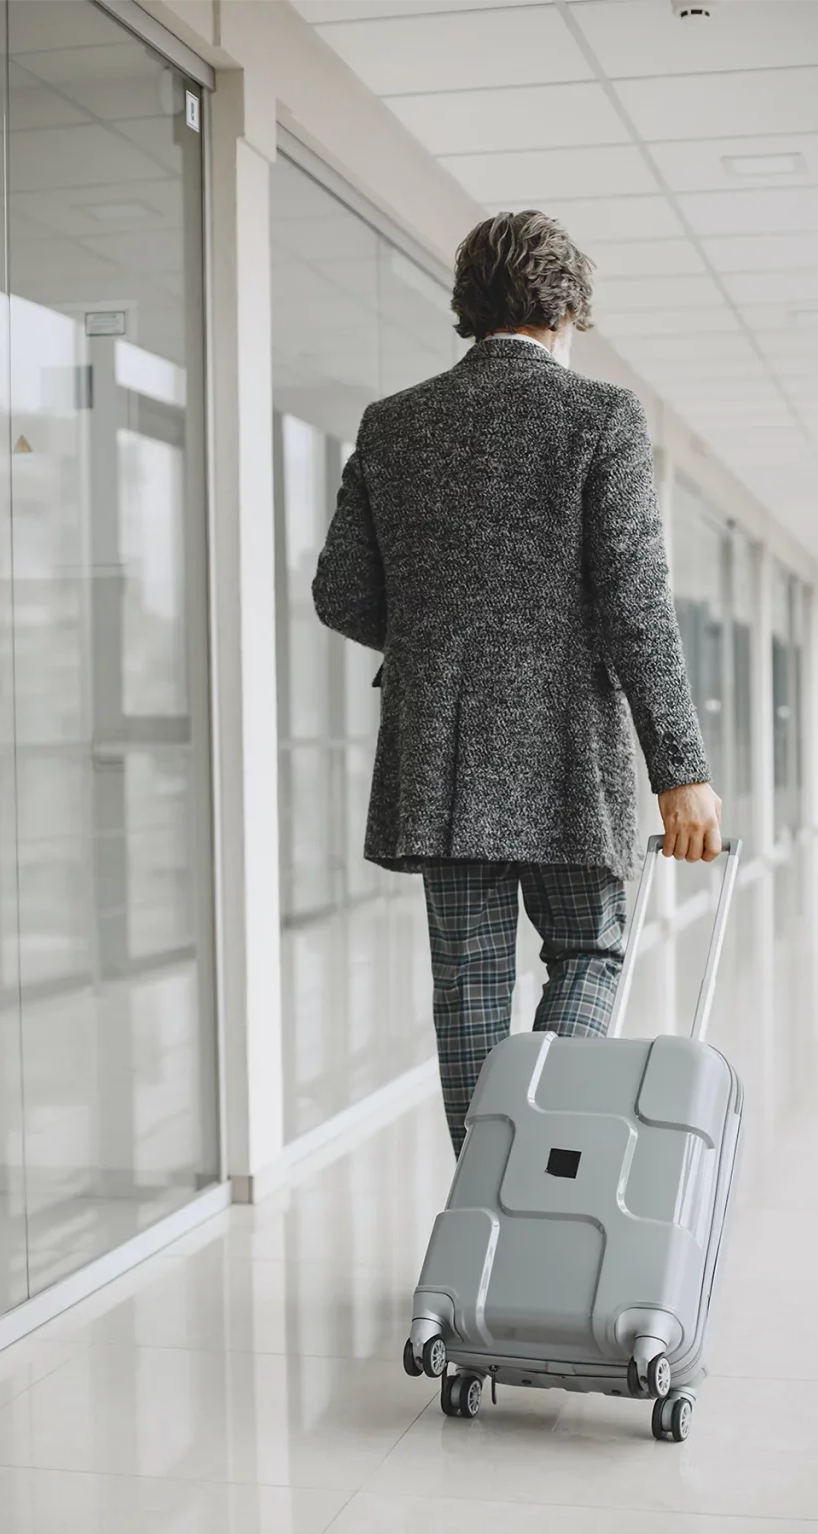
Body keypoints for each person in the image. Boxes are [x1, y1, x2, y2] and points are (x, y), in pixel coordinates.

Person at [313, 209, 723, 1156]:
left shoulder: (394, 423)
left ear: (469, 305)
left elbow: (340, 592)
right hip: (568, 752)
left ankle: (482, 1218)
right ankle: (537, 1167)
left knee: (467, 984)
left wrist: (439, 645)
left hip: (441, 755)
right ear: (568, 307)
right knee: (589, 950)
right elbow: (634, 605)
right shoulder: (601, 416)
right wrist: (680, 768)